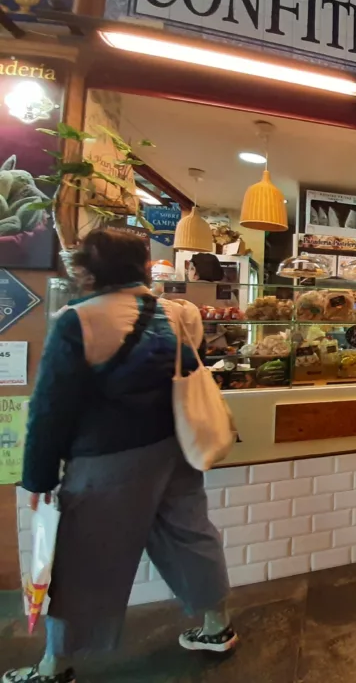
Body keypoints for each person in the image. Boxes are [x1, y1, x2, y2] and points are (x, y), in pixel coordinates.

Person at [4, 230, 237, 683]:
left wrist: (37, 476)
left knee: (86, 560)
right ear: (144, 266)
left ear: (88, 269)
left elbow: (51, 407)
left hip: (108, 459)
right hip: (176, 448)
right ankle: (217, 626)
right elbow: (192, 372)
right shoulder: (177, 312)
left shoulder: (79, 320)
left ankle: (54, 666)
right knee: (191, 538)